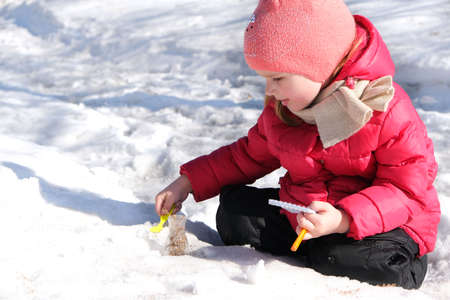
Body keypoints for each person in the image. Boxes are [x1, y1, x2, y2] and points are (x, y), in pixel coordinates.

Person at [154, 0, 440, 289]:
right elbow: (245, 157)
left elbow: (406, 190)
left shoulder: (385, 109)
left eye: (278, 77)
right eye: (265, 79)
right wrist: (188, 181)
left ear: (320, 65)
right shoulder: (283, 110)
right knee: (234, 213)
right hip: (309, 219)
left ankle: (403, 267)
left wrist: (343, 218)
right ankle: (314, 249)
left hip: (385, 227)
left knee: (339, 256)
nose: (270, 90)